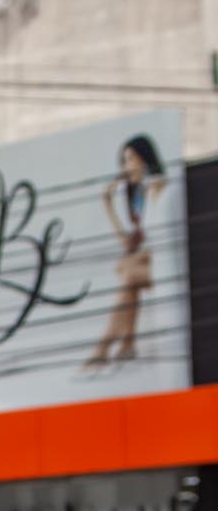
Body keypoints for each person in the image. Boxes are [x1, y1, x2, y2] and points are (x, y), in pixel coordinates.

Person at [87, 134, 167, 370]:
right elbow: (128, 243)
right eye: (124, 161)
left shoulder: (157, 186)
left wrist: (140, 256)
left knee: (128, 273)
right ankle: (127, 344)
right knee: (126, 274)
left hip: (165, 264)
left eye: (130, 159)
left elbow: (159, 237)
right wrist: (108, 205)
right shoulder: (137, 195)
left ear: (144, 158)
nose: (126, 166)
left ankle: (103, 348)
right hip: (149, 264)